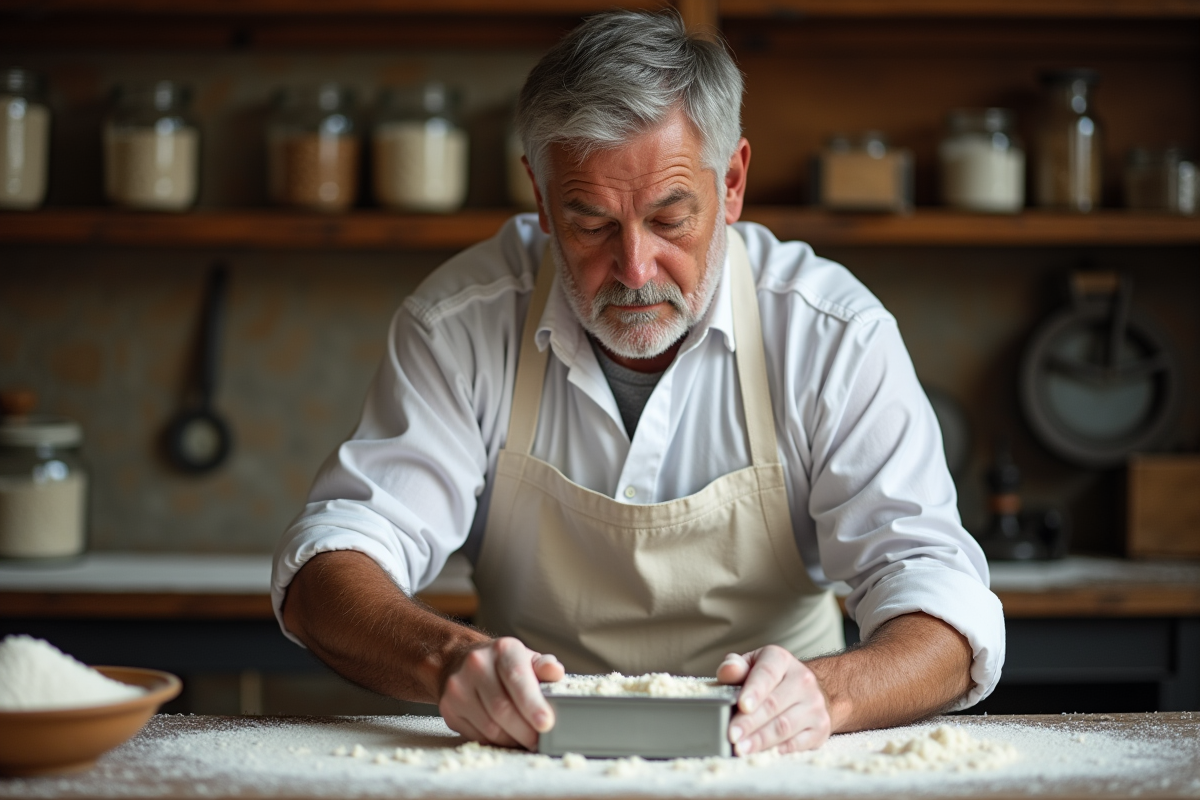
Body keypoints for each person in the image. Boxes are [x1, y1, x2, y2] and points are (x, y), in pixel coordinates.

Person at [272, 10, 1004, 757]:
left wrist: (825, 695)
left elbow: (943, 603)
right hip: (531, 758)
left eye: (669, 219)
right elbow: (330, 563)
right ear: (541, 197)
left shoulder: (832, 334)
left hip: (776, 759)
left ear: (732, 183)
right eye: (591, 224)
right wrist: (450, 661)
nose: (634, 269)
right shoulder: (460, 324)